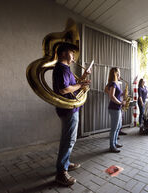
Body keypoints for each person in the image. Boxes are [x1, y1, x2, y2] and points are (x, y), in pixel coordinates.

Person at [53, 43, 91, 186]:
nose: (74, 56)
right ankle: (61, 173)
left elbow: (72, 86)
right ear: (63, 54)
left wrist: (84, 77)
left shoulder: (65, 69)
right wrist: (81, 85)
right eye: (72, 53)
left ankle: (65, 163)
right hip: (68, 109)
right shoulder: (62, 68)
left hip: (71, 108)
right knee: (69, 140)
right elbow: (64, 89)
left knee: (68, 139)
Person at [105, 67, 126, 153]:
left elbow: (115, 95)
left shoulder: (116, 83)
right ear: (116, 73)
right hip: (114, 108)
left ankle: (115, 143)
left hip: (117, 108)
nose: (120, 74)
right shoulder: (113, 84)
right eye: (119, 72)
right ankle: (112, 146)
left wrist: (123, 93)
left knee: (118, 127)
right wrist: (120, 103)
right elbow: (111, 96)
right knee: (114, 128)